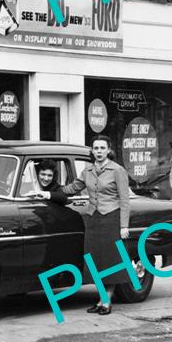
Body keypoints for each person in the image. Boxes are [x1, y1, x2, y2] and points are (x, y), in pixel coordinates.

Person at [58, 135, 132, 315]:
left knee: (111, 261)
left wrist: (124, 226)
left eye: (102, 148)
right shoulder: (87, 171)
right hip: (93, 220)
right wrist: (48, 191)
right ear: (92, 151)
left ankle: (105, 301)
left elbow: (125, 200)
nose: (98, 151)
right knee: (95, 262)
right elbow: (72, 188)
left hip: (111, 219)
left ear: (108, 150)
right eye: (96, 148)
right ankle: (101, 300)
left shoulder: (117, 170)